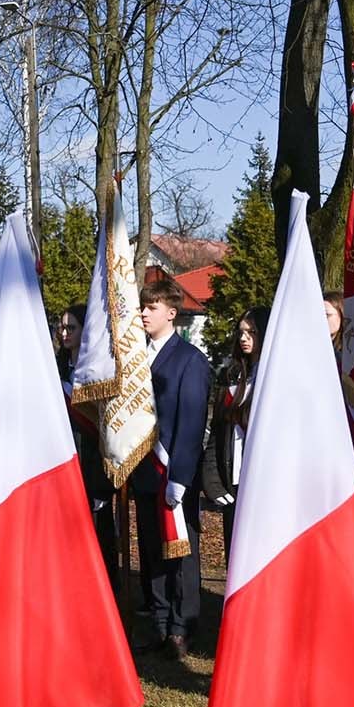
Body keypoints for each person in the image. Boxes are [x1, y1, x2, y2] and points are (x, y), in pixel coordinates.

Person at [131, 279, 211, 660]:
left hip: (173, 473)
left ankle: (183, 627)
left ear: (172, 313)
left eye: (152, 306)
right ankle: (161, 624)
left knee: (181, 554)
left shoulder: (189, 360)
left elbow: (191, 422)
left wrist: (179, 476)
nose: (144, 312)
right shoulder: (138, 358)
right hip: (146, 472)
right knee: (153, 553)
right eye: (143, 306)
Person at [58, 304, 117, 588]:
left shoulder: (96, 372)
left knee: (98, 540)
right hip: (62, 463)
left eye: (71, 328)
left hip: (93, 469)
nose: (64, 333)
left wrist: (102, 485)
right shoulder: (54, 368)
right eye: (61, 327)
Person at [203, 308, 267, 554]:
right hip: (234, 481)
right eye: (241, 332)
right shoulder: (231, 376)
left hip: (265, 484)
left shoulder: (277, 377)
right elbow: (217, 434)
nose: (244, 338)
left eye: (252, 332)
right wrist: (213, 483)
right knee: (236, 553)